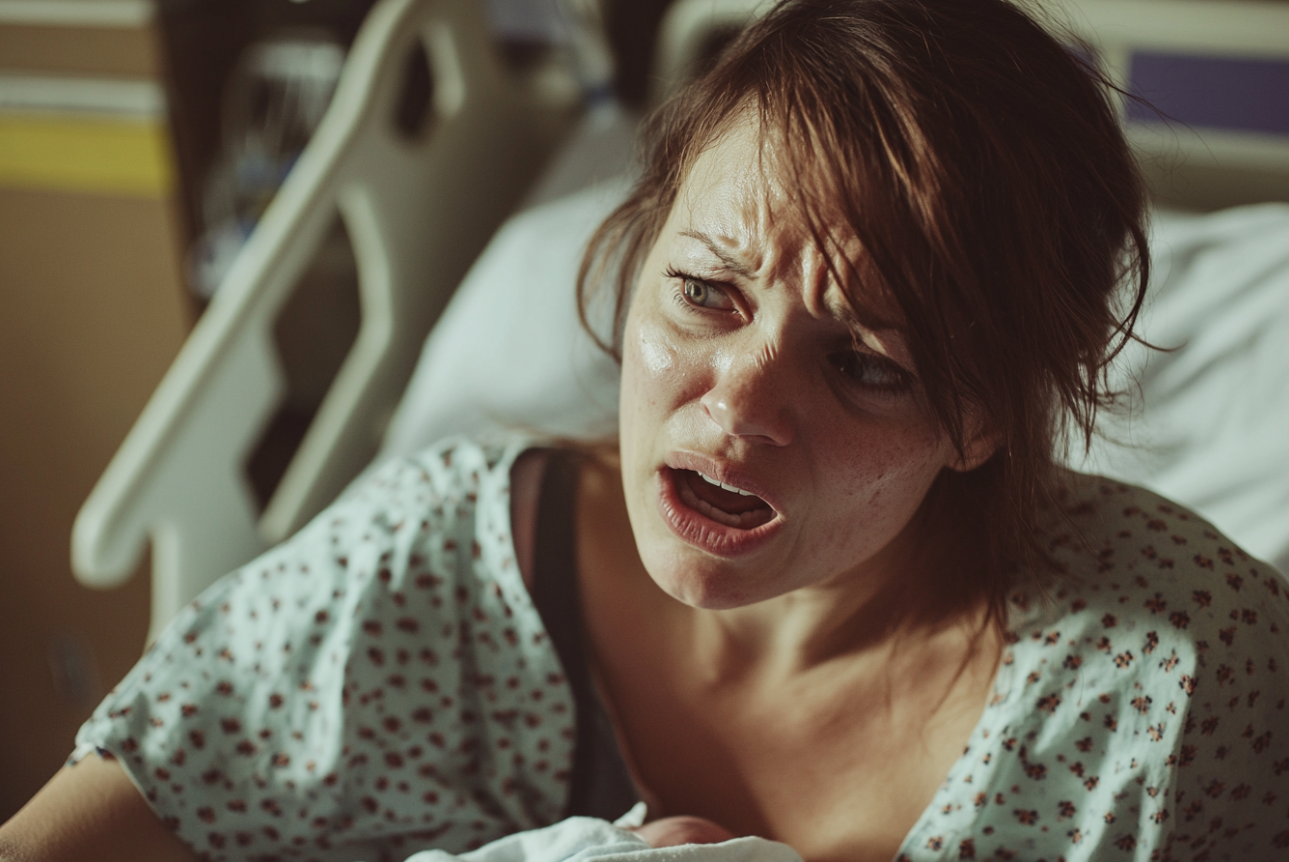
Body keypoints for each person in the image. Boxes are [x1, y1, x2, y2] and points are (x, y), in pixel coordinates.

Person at [3, 1, 1288, 860]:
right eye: (704, 293)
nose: (732, 405)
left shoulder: (1170, 683)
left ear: (980, 421)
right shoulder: (428, 573)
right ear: (634, 255)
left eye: (863, 365)